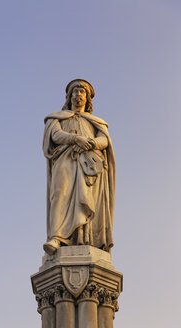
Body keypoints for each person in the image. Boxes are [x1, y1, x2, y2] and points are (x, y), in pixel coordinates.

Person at [42, 79, 115, 256]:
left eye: (82, 92)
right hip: (65, 159)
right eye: (75, 92)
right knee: (60, 194)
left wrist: (91, 143)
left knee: (87, 198)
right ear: (69, 97)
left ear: (88, 98)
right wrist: (75, 139)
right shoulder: (57, 118)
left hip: (89, 163)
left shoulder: (95, 122)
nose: (78, 95)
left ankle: (86, 238)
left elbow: (104, 140)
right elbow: (56, 135)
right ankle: (56, 237)